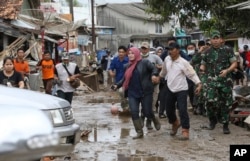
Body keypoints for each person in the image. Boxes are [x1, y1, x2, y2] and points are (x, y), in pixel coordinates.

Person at [112, 47, 160, 139]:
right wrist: (117, 85)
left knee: (147, 111)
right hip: (132, 93)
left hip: (145, 91)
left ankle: (153, 118)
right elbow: (124, 79)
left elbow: (154, 69)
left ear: (137, 54)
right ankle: (139, 132)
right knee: (134, 112)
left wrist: (154, 75)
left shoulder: (145, 63)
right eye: (129, 53)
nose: (130, 55)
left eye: (132, 53)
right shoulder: (127, 66)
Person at [160, 42, 202, 140]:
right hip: (170, 88)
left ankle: (185, 130)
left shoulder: (183, 62)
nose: (170, 51)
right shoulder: (167, 59)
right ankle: (175, 123)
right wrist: (159, 77)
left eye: (172, 49)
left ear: (178, 50)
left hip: (181, 89)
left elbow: (192, 74)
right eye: (169, 50)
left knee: (182, 110)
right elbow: (164, 71)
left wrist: (199, 84)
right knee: (169, 110)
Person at [200, 30, 237, 134]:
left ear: (221, 40)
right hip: (211, 81)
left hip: (225, 81)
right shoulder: (207, 52)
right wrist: (202, 71)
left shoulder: (228, 50)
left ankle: (225, 125)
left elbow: (234, 64)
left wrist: (227, 70)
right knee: (209, 101)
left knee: (226, 103)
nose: (215, 40)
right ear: (210, 40)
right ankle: (212, 120)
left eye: (217, 38)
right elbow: (203, 64)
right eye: (213, 38)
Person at [140, 41, 163, 129]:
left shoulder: (155, 57)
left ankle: (149, 122)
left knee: (152, 103)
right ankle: (142, 118)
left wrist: (156, 67)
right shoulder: (138, 58)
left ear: (148, 49)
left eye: (145, 48)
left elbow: (163, 66)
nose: (144, 50)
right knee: (143, 103)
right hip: (143, 84)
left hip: (154, 84)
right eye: (142, 48)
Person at [109, 46, 129, 111]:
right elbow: (110, 68)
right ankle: (124, 107)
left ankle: (129, 107)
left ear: (125, 53)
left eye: (122, 52)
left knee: (128, 95)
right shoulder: (115, 60)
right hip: (119, 82)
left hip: (128, 81)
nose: (121, 53)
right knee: (121, 92)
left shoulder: (128, 60)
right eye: (119, 52)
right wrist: (111, 73)